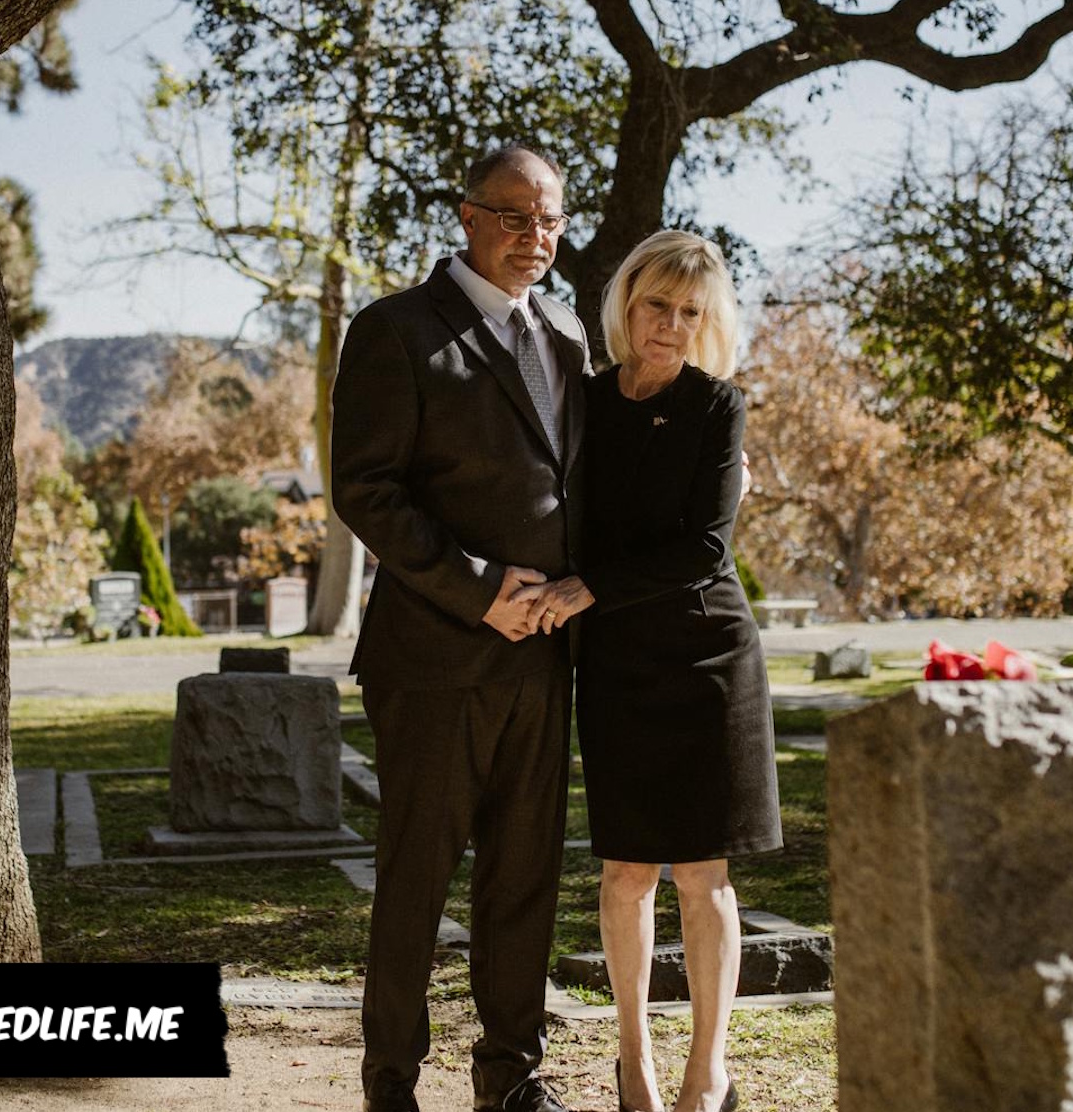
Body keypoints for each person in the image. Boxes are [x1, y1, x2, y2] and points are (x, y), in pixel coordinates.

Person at [329, 145, 586, 1112]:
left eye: (551, 217)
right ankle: (390, 1084)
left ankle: (511, 1078)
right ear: (468, 217)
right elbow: (366, 490)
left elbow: (579, 490)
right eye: (516, 215)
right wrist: (481, 589)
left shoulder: (565, 335)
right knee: (416, 880)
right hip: (434, 654)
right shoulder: (394, 329)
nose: (536, 235)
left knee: (524, 878)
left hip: (542, 658)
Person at [520, 230, 780, 1112]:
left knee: (705, 875)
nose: (670, 324)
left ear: (709, 321)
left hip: (709, 656)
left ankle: (709, 1073)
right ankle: (636, 1066)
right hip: (619, 662)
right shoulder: (583, 402)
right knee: (627, 873)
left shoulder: (719, 406)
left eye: (690, 311)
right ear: (627, 305)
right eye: (656, 305)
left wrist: (586, 585)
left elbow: (706, 548)